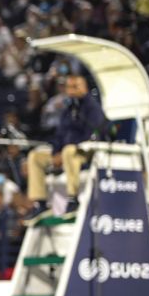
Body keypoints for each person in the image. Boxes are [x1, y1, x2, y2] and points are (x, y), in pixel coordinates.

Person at [25, 74, 106, 222]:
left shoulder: (92, 108)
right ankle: (40, 203)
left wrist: (64, 152)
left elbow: (93, 134)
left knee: (69, 151)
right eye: (69, 87)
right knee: (35, 156)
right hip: (65, 152)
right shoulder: (68, 109)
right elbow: (59, 135)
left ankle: (73, 199)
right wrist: (56, 152)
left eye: (76, 87)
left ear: (85, 88)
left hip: (85, 152)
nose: (72, 91)